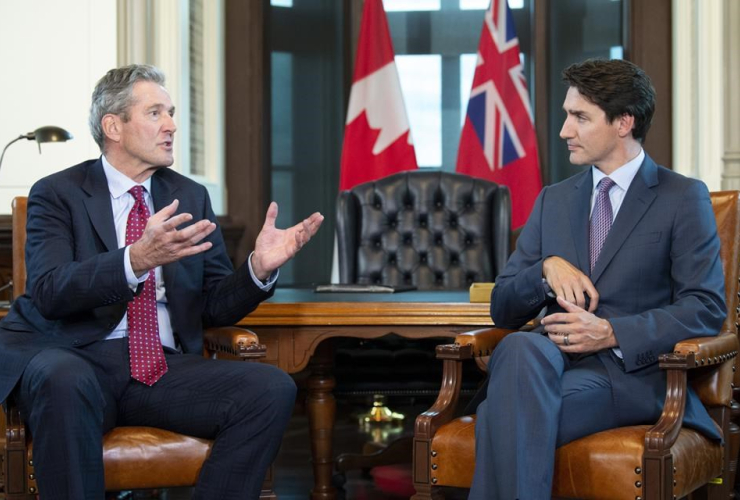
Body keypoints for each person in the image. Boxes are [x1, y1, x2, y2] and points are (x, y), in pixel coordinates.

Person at [0, 64, 324, 500]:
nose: (172, 125)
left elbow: (210, 305)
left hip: (159, 368)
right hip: (74, 356)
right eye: (155, 113)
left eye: (170, 112)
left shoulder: (189, 196)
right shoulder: (58, 193)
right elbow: (51, 289)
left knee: (270, 388)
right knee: (62, 378)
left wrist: (257, 270)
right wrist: (135, 260)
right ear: (113, 126)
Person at [469, 59, 726, 499]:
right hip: (546, 364)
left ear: (623, 122)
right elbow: (504, 306)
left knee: (503, 415)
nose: (565, 130)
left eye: (580, 117)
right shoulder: (553, 200)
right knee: (517, 345)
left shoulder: (682, 197)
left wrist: (611, 333)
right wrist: (546, 270)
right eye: (568, 115)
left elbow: (705, 307)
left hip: (629, 375)